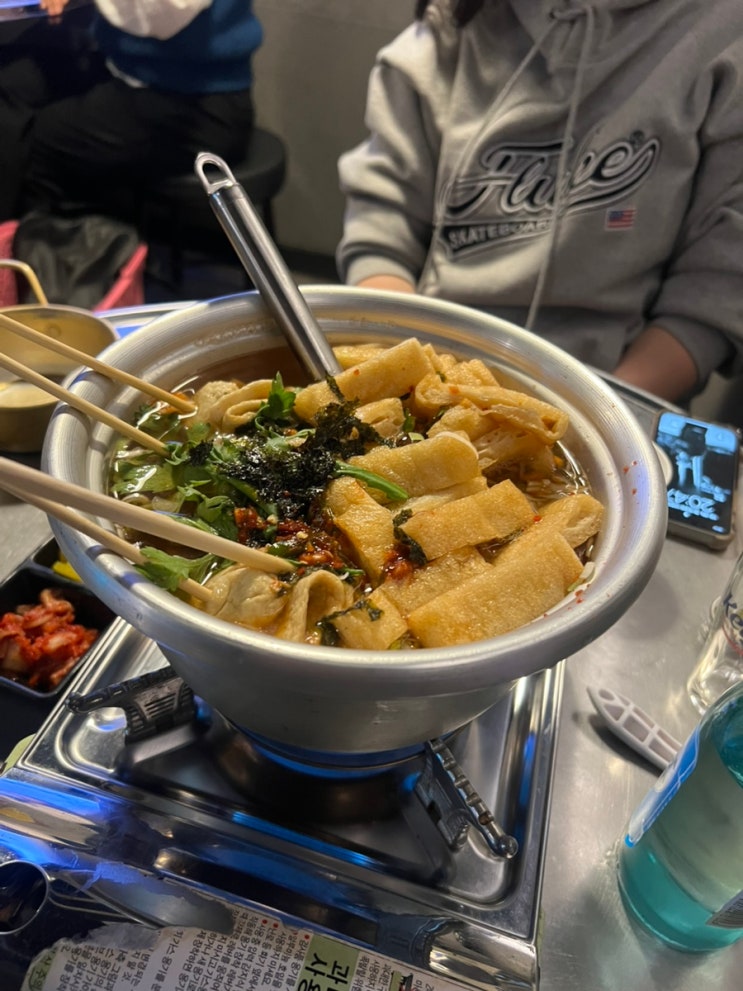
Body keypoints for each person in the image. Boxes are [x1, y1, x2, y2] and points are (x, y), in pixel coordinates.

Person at [336, 0, 743, 403]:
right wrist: (411, 379)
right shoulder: (445, 30)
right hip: (435, 363)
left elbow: (714, 290)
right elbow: (384, 228)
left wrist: (598, 413)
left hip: (616, 386)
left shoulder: (725, 37)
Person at [1, 0, 262, 224]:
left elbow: (167, 13)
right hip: (135, 70)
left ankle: (55, 256)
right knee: (14, 85)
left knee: (38, 138)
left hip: (197, 102)